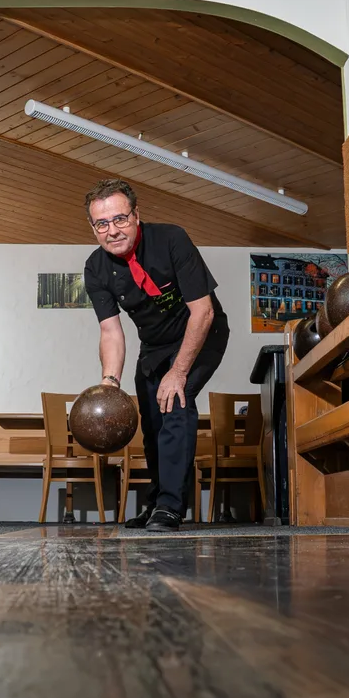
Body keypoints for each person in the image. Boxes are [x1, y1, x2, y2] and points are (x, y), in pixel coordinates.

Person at [83, 179, 229, 532]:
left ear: (136, 215)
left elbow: (203, 312)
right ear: (93, 228)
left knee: (175, 402)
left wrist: (178, 372)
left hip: (201, 332)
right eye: (102, 224)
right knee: (150, 422)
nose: (112, 230)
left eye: (120, 219)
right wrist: (109, 383)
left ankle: (171, 507)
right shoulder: (96, 268)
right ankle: (156, 500)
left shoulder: (171, 239)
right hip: (153, 346)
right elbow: (111, 332)